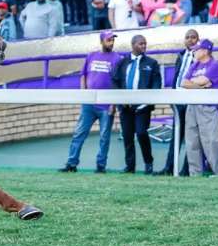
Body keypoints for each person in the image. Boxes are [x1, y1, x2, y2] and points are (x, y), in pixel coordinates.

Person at [59, 30, 121, 173]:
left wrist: (113, 104)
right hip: (89, 104)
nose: (111, 43)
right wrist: (84, 95)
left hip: (106, 105)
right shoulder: (91, 56)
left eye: (113, 40)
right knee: (79, 133)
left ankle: (101, 166)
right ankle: (71, 164)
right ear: (102, 41)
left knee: (104, 137)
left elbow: (117, 82)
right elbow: (83, 75)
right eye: (109, 40)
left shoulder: (117, 58)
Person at [112, 35, 162, 174]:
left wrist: (149, 101)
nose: (144, 46)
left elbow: (156, 83)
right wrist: (120, 100)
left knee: (141, 133)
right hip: (125, 107)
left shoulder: (152, 63)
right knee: (127, 137)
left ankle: (148, 163)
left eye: (145, 43)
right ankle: (130, 166)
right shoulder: (122, 62)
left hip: (143, 107)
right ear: (133, 44)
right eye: (141, 44)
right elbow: (115, 81)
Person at [155, 29, 200, 176]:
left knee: (190, 137)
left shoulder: (200, 57)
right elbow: (177, 75)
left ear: (198, 40)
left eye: (193, 37)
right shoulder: (180, 55)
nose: (190, 40)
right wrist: (172, 95)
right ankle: (169, 168)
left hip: (191, 100)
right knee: (176, 136)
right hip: (178, 100)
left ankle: (186, 170)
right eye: (187, 37)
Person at [181, 39, 218, 177]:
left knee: (211, 141)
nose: (194, 51)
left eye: (197, 49)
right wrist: (200, 86)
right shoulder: (195, 64)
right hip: (192, 106)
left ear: (205, 51)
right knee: (192, 141)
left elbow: (203, 80)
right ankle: (195, 174)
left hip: (207, 107)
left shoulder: (214, 65)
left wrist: (196, 83)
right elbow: (183, 83)